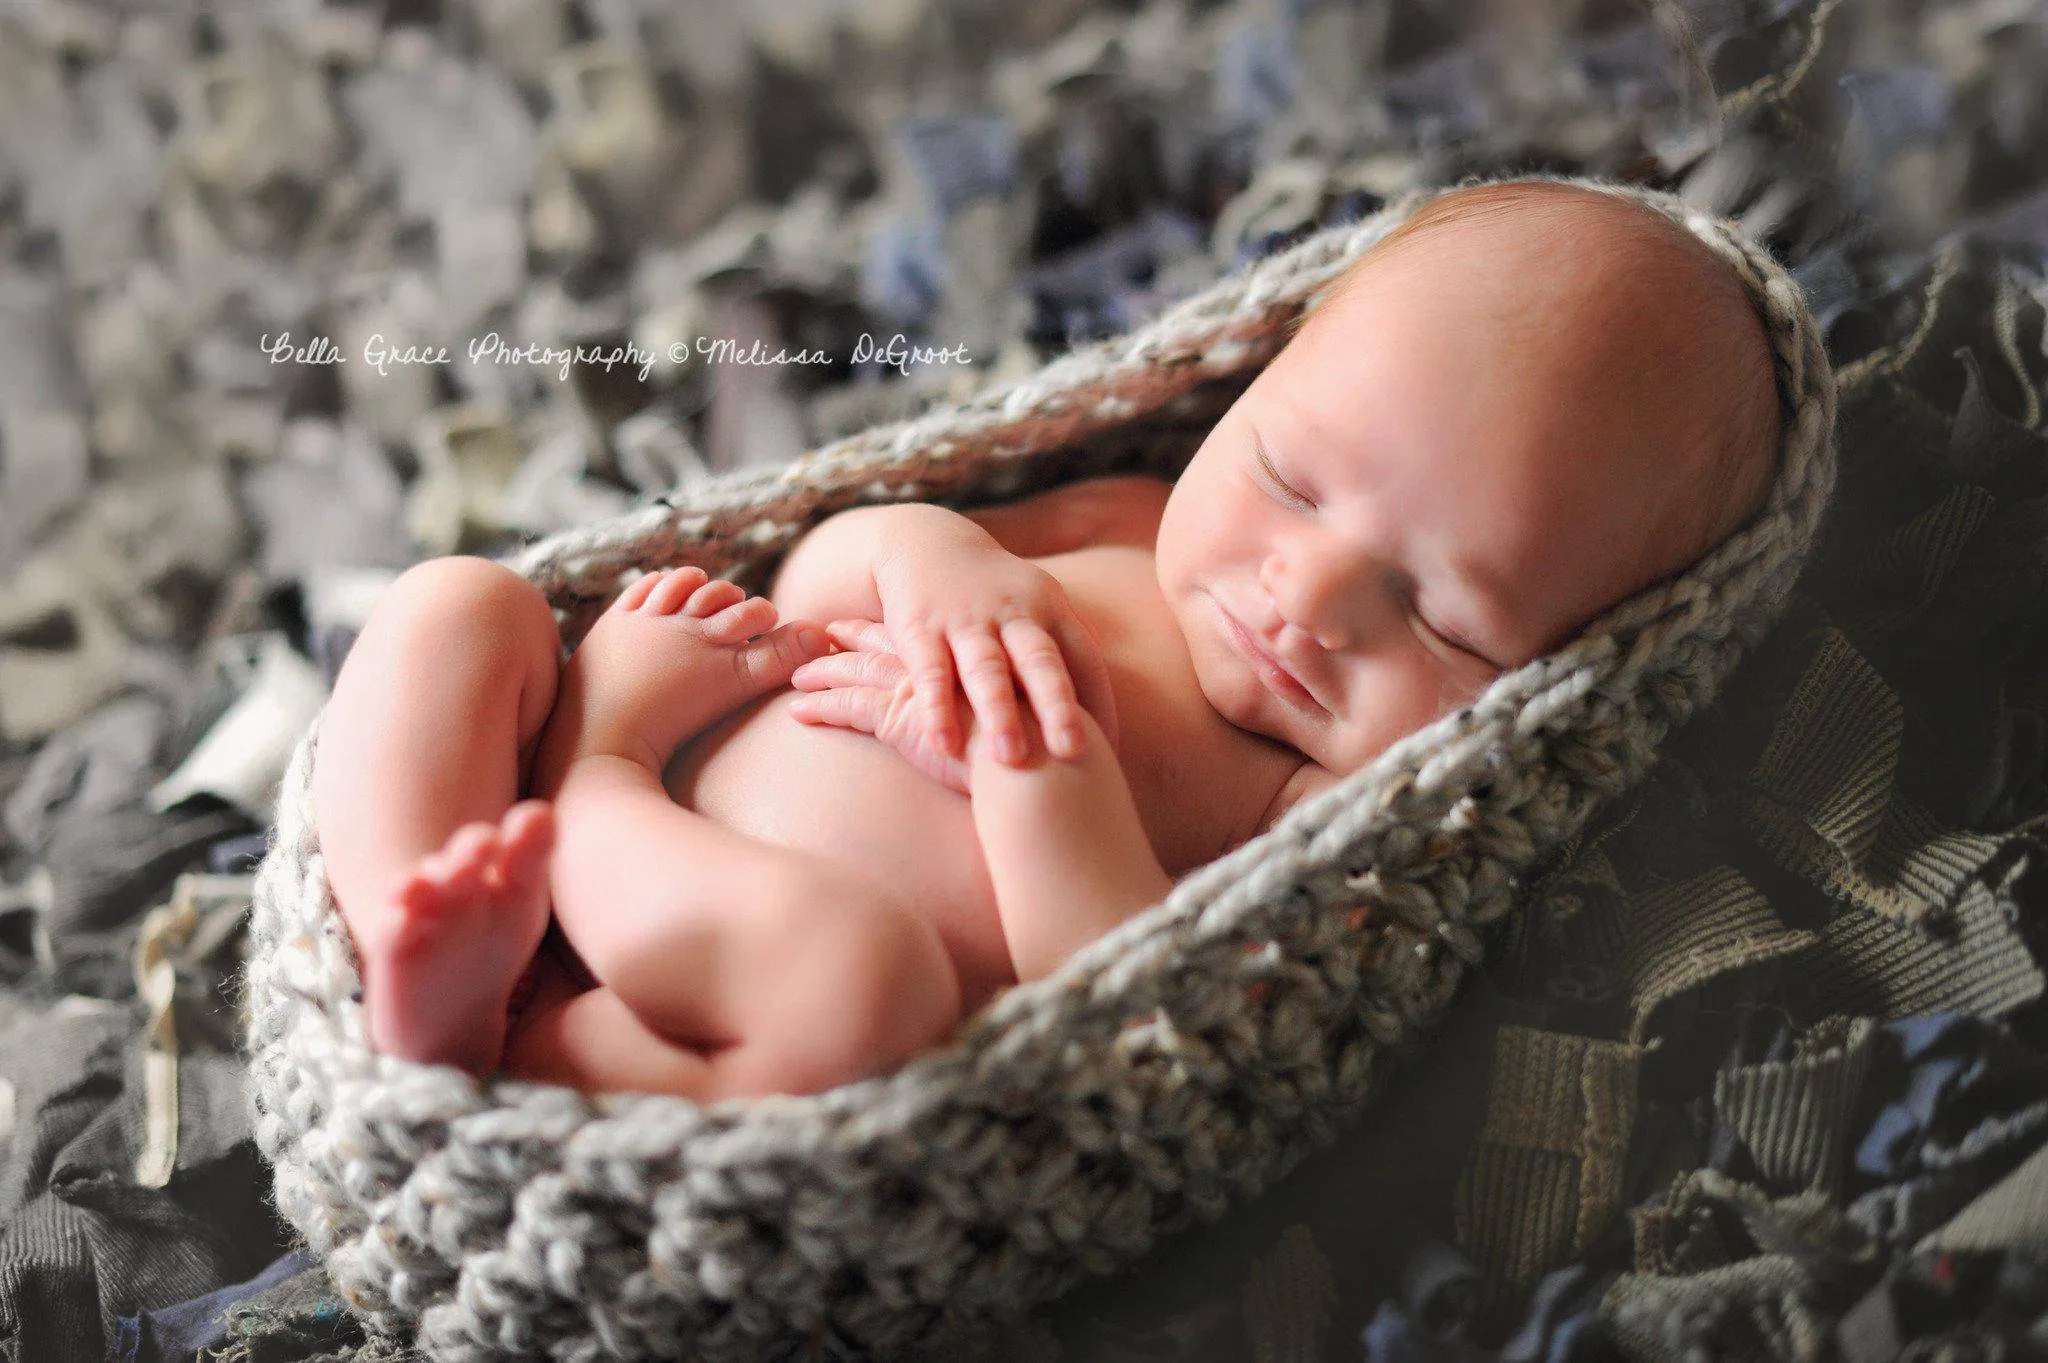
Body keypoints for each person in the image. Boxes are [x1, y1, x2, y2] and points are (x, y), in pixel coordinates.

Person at [309, 179, 1781, 1100]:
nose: (1309, 595)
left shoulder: (1333, 805)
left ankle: (520, 1038)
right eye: (1286, 479)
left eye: (1448, 616)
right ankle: (416, 921)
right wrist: (936, 558)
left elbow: (1142, 996)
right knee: (456, 606)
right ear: (1246, 389)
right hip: (624, 760)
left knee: (858, 987)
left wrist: (1038, 773)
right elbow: (822, 566)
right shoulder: (1132, 517)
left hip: (723, 971)